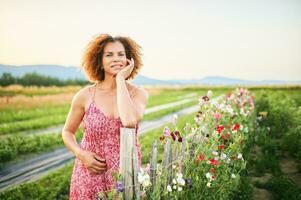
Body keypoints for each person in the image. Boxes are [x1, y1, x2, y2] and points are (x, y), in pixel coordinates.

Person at [62, 34, 149, 199]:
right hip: (89, 173)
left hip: (125, 174)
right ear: (99, 61)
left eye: (121, 54)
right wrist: (81, 154)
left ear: (129, 60)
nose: (116, 59)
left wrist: (121, 80)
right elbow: (67, 132)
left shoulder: (138, 93)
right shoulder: (85, 95)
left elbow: (129, 121)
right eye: (109, 55)